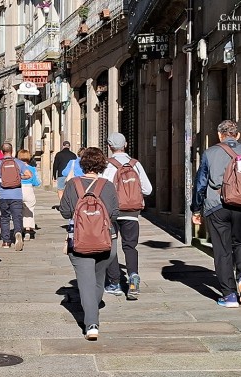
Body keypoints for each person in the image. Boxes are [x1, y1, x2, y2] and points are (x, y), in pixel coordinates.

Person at [191, 120, 241, 308]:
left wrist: (196, 209)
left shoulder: (210, 153)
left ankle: (229, 295)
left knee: (222, 250)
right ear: (238, 135)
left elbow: (200, 184)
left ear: (220, 135)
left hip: (217, 207)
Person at [59, 147, 119, 341]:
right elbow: (114, 213)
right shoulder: (107, 186)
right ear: (102, 165)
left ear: (82, 164)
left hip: (79, 241)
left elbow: (66, 212)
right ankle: (93, 304)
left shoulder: (72, 185)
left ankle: (91, 324)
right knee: (99, 278)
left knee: (85, 283)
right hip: (106, 240)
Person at [101, 133, 153, 298]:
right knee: (130, 247)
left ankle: (114, 283)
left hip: (112, 213)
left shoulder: (106, 166)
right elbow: (148, 189)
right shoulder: (135, 165)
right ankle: (133, 276)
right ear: (126, 145)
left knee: (112, 247)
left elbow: (101, 189)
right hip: (132, 212)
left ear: (109, 147)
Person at [0, 143, 32, 251]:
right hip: (17, 195)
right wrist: (18, 177)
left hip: (4, 195)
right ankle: (18, 232)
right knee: (17, 216)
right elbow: (29, 175)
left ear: (2, 152)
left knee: (5, 218)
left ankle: (6, 242)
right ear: (12, 151)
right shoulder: (18, 163)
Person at [17, 149, 41, 241]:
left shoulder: (17, 167)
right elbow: (37, 182)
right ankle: (27, 230)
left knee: (18, 210)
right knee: (29, 210)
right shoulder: (32, 169)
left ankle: (20, 228)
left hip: (18, 189)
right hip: (28, 189)